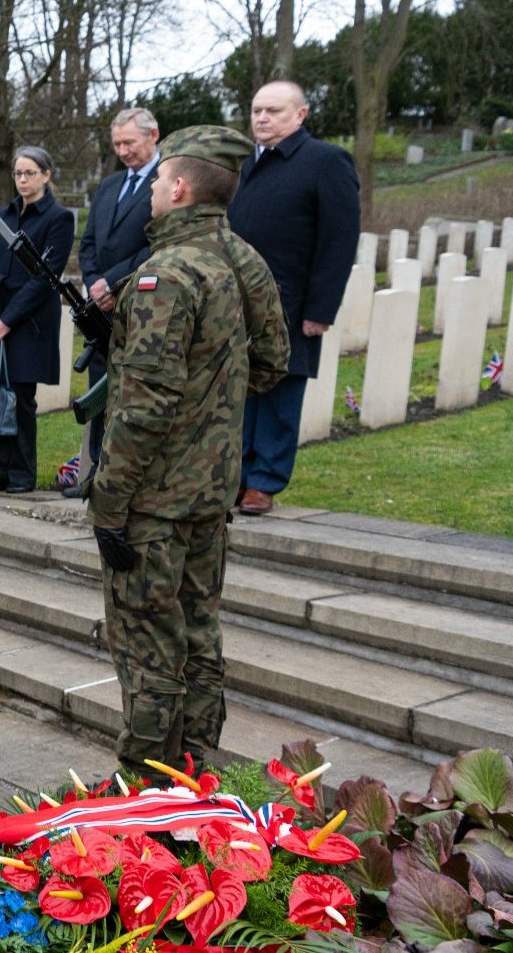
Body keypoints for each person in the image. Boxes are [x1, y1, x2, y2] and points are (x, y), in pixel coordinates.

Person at [88, 124, 289, 781]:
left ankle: (142, 788)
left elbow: (143, 405)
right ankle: (196, 775)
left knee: (148, 642)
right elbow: (268, 364)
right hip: (210, 490)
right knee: (199, 632)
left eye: (157, 181)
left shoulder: (166, 274)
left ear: (177, 187)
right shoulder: (241, 260)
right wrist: (212, 414)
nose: (146, 193)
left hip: (153, 497)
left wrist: (109, 498)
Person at [228, 81, 360, 516]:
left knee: (280, 392)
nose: (262, 118)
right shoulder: (246, 164)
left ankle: (264, 481)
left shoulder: (325, 161)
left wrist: (321, 310)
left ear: (300, 115)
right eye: (256, 110)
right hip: (237, 301)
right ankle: (238, 476)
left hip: (291, 302)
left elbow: (338, 240)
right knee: (241, 389)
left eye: (273, 111)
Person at [0, 146, 74, 494]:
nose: (23, 180)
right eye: (18, 173)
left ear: (46, 175)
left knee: (21, 398)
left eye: (30, 173)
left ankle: (21, 473)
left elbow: (46, 277)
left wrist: (9, 319)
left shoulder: (58, 218)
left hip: (28, 322)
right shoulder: (5, 214)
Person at [71, 107, 161, 498]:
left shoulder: (168, 181)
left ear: (153, 135)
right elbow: (89, 242)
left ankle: (126, 481)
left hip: (140, 302)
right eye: (117, 144)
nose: (123, 150)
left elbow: (156, 243)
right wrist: (93, 282)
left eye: (130, 142)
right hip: (100, 308)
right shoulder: (109, 186)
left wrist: (113, 282)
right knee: (99, 390)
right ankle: (95, 474)